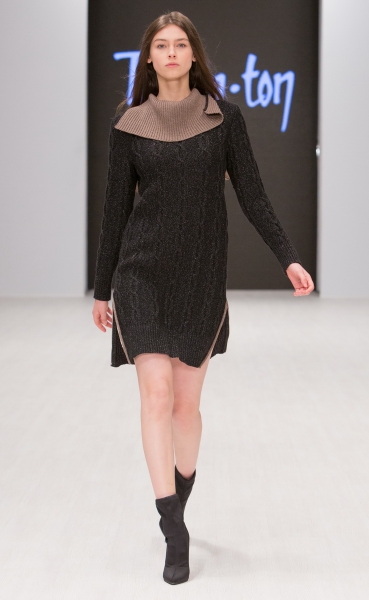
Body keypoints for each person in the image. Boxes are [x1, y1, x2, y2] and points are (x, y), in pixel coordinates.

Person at [92, 11, 315, 585]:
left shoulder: (223, 119)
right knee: (155, 395)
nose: (170, 53)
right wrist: (103, 287)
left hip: (200, 275)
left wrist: (288, 256)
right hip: (140, 273)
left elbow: (253, 194)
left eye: (180, 44)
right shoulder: (128, 124)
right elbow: (115, 210)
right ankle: (174, 528)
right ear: (148, 58)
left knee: (185, 408)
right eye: (161, 45)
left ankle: (178, 497)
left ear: (194, 55)